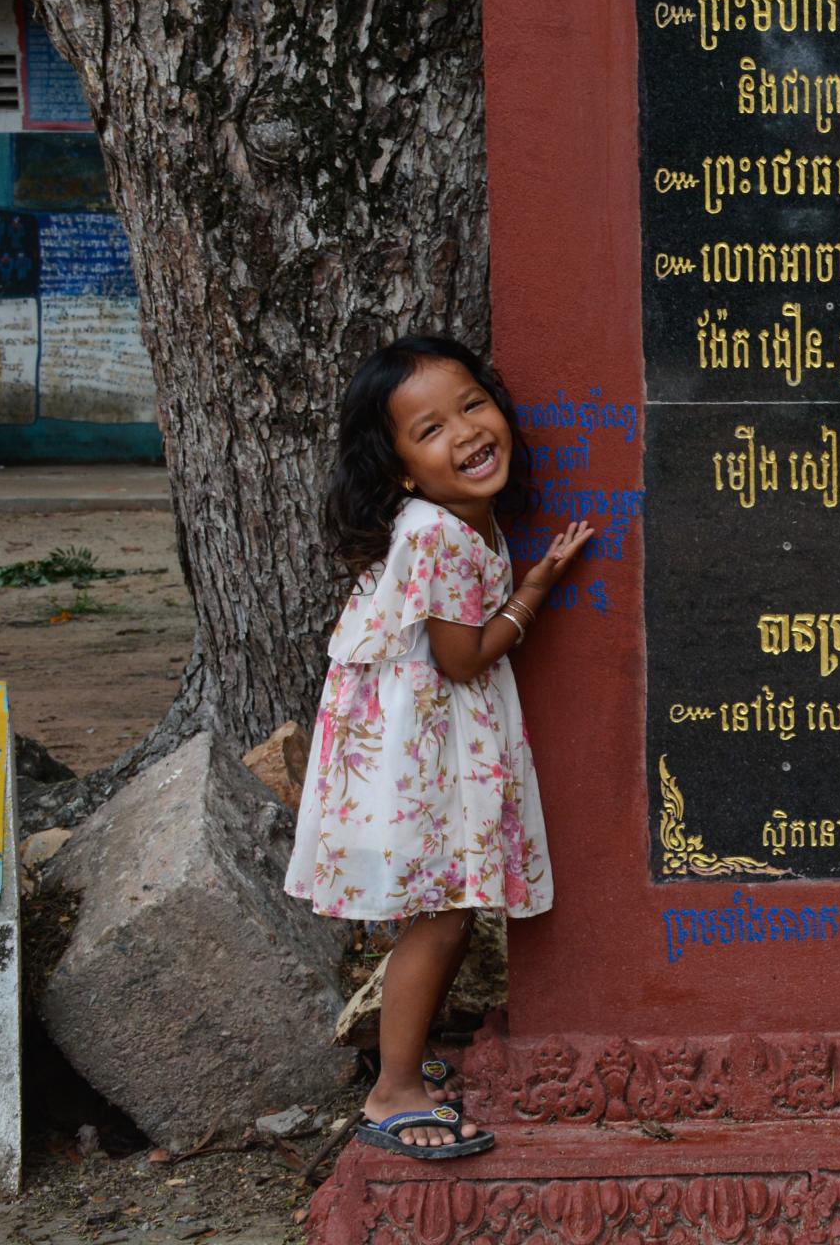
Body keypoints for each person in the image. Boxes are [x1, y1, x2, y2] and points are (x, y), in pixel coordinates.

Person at [284, 334, 594, 1158]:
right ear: (400, 472)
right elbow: (463, 658)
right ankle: (393, 1092)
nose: (463, 433)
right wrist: (535, 591)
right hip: (420, 748)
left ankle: (404, 1066)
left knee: (447, 914)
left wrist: (525, 577)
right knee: (443, 918)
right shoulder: (441, 534)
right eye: (429, 431)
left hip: (418, 738)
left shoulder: (457, 519)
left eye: (471, 406)